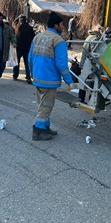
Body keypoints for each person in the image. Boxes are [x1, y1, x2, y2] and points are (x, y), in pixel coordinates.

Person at [29, 12, 74, 141]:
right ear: (55, 25)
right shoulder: (58, 41)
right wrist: (69, 81)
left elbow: (30, 58)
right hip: (49, 80)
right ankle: (37, 131)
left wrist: (32, 72)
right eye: (61, 24)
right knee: (46, 105)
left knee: (42, 104)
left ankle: (45, 127)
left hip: (38, 78)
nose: (63, 27)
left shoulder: (38, 37)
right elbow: (61, 64)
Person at [13, 15, 35, 84]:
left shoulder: (16, 27)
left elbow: (14, 22)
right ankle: (28, 77)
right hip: (27, 48)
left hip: (18, 48)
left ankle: (15, 75)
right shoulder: (30, 28)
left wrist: (17, 17)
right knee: (27, 63)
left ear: (20, 20)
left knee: (16, 63)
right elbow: (33, 37)